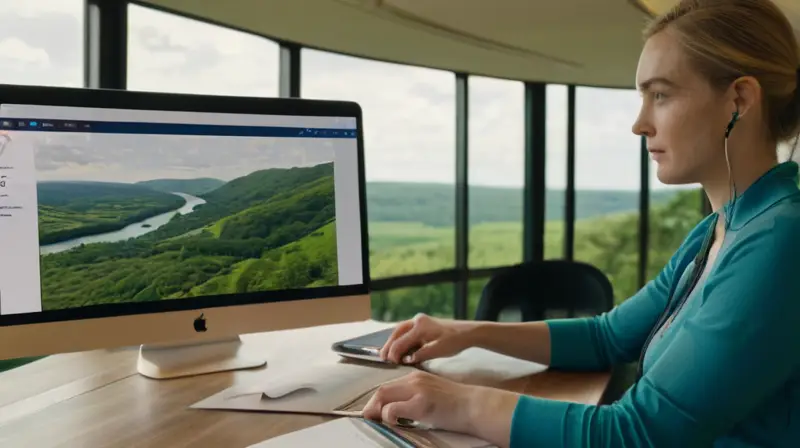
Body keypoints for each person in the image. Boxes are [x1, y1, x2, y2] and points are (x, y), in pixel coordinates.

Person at [362, 0, 800, 446]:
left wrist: (459, 402)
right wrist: (464, 332)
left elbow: (638, 435)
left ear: (739, 100)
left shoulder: (781, 240)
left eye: (661, 95)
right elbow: (607, 337)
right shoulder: (716, 233)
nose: (639, 124)